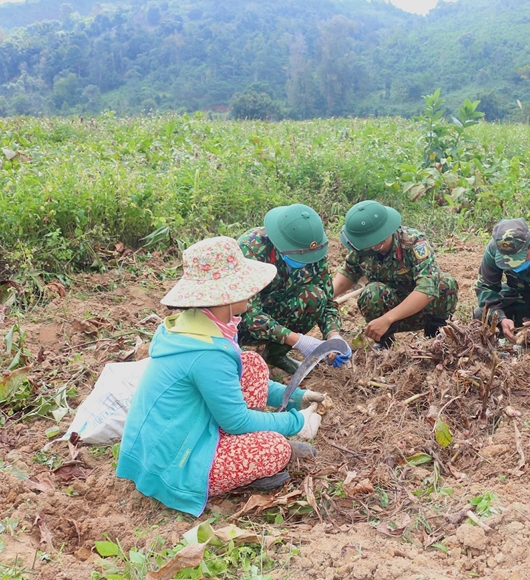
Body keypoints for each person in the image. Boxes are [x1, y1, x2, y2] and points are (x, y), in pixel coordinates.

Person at [117, 237, 326, 516]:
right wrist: (297, 423)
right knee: (276, 448)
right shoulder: (208, 354)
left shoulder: (195, 327)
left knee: (250, 363)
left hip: (170, 439)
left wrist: (296, 397)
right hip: (177, 463)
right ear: (225, 296)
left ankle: (240, 445)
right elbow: (237, 421)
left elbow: (227, 383)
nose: (251, 293)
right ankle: (234, 468)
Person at [237, 204, 349, 375]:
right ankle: (233, 358)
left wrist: (333, 336)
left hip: (276, 308)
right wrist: (298, 341)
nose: (305, 261)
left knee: (315, 297)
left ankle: (275, 356)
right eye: (298, 256)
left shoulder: (314, 252)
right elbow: (248, 313)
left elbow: (327, 301)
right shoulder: (251, 248)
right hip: (240, 323)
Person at [332, 200, 458, 349]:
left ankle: (434, 336)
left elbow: (427, 289)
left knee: (445, 283)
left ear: (379, 241)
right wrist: (324, 299)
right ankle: (384, 342)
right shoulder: (362, 247)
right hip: (388, 314)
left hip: (422, 310)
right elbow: (349, 272)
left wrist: (387, 318)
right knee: (373, 292)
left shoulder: (414, 243)